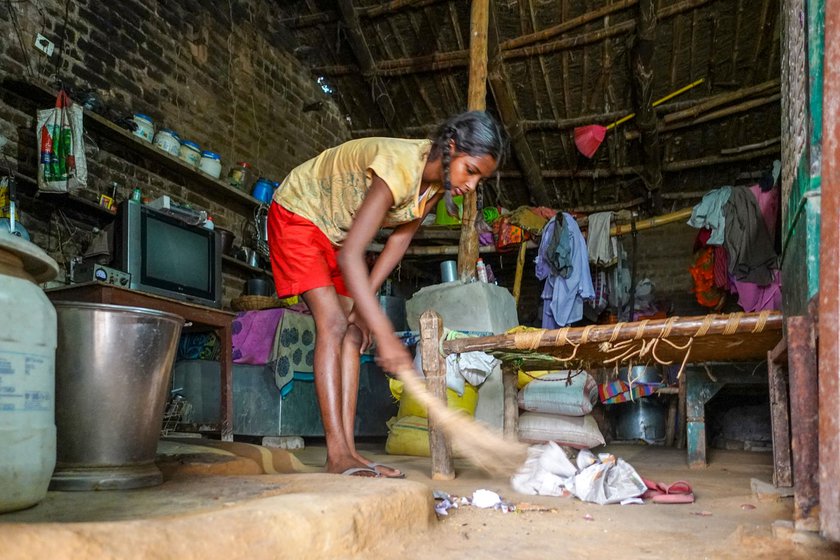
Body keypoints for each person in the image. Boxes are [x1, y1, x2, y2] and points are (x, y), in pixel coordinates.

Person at [268, 111, 505, 477]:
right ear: (453, 147)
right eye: (471, 170)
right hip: (298, 213)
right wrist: (385, 334)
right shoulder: (399, 167)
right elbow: (351, 256)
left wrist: (367, 314)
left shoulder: (433, 189)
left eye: (480, 179)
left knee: (352, 333)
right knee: (332, 325)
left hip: (336, 235)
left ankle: (347, 451)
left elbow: (397, 242)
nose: (472, 185)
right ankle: (336, 454)